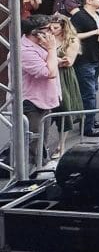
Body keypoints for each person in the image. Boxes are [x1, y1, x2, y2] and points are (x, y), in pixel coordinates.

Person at [21, 15, 60, 164]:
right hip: (32, 102)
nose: (52, 32)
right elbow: (49, 73)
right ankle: (34, 175)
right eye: (47, 29)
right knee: (34, 144)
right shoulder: (24, 50)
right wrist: (52, 49)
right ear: (35, 33)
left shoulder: (40, 45)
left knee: (42, 141)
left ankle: (41, 168)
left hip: (45, 99)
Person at [70, 0, 99, 136]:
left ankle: (91, 120)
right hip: (83, 59)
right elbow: (73, 36)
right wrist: (95, 32)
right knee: (88, 93)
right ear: (89, 1)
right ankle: (87, 127)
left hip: (96, 56)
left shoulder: (98, 14)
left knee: (93, 90)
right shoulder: (79, 16)